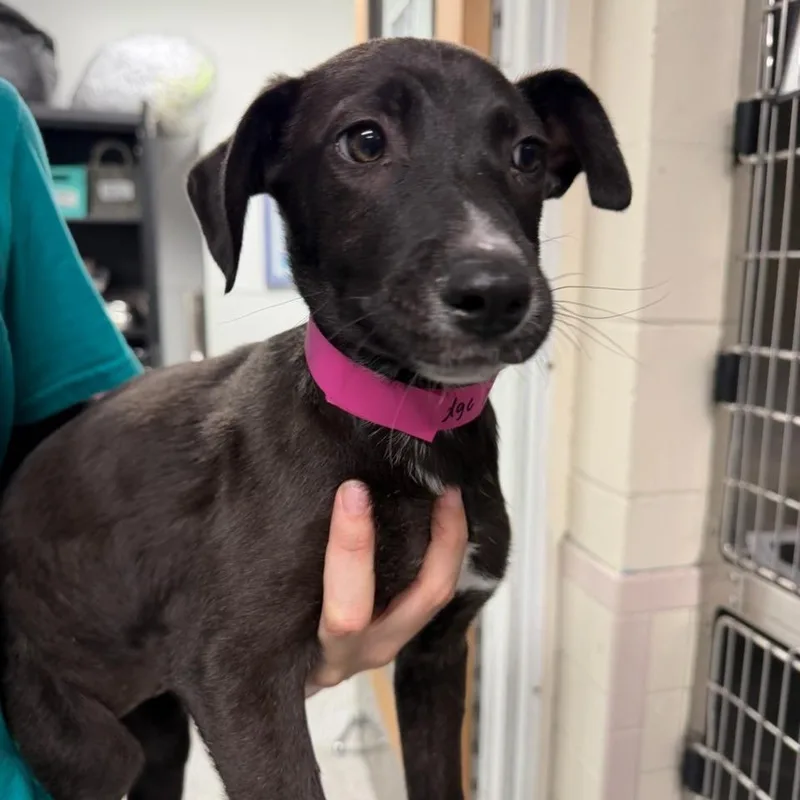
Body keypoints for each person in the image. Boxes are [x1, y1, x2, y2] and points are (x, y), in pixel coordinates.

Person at [0, 77, 468, 797]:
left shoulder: (2, 125)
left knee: (161, 757)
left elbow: (79, 422)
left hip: (92, 699)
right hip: (49, 720)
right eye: (368, 144)